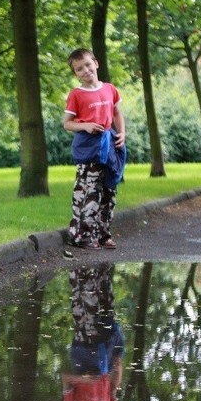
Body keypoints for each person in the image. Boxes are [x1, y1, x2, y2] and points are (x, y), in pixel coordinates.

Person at [63, 48, 126, 250]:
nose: (86, 70)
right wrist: (85, 126)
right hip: (87, 149)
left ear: (96, 63)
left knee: (109, 191)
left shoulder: (109, 89)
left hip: (108, 147)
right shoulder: (76, 95)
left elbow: (116, 113)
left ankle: (103, 235)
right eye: (79, 69)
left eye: (88, 65)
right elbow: (67, 123)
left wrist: (122, 133)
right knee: (89, 192)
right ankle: (81, 236)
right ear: (76, 74)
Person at [61, 263, 124, 401]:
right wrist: (118, 369)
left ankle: (79, 269)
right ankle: (103, 270)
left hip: (84, 354)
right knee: (106, 311)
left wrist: (84, 379)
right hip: (105, 355)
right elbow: (113, 387)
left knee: (86, 311)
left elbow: (65, 377)